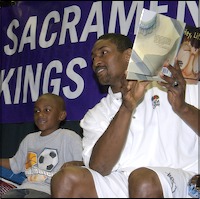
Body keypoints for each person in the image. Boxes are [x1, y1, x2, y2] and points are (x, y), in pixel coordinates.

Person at [51, 33, 199, 198]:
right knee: (66, 180)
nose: (96, 62)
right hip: (127, 180)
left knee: (143, 180)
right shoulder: (96, 114)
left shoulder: (175, 87)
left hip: (187, 179)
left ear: (129, 55)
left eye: (103, 53)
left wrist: (182, 107)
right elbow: (100, 168)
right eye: (93, 58)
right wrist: (127, 107)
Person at [0, 93, 83, 198]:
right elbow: (15, 164)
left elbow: (85, 164)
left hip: (49, 191)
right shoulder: (29, 139)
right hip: (24, 188)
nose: (40, 115)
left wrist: (76, 164)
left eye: (47, 110)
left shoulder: (69, 137)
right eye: (36, 111)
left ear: (61, 115)